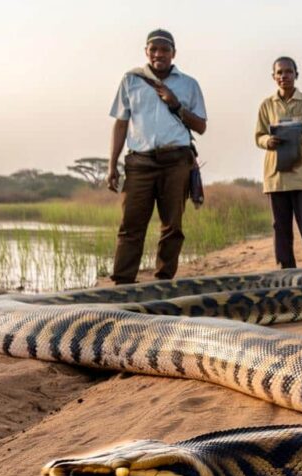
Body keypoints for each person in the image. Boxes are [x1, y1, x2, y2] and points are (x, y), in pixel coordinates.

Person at [106, 28, 207, 284]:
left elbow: (201, 126)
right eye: (154, 49)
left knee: (172, 226)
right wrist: (112, 165)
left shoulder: (189, 84)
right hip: (140, 162)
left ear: (174, 53)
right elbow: (121, 123)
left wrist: (175, 104)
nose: (158, 54)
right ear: (146, 52)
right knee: (131, 225)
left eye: (164, 49)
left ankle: (163, 281)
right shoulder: (131, 80)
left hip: (176, 161)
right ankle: (122, 283)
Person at [254, 56, 302, 269]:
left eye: (288, 72)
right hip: (275, 174)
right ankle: (286, 273)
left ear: (296, 74)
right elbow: (258, 136)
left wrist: (292, 135)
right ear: (273, 76)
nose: (284, 76)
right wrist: (269, 140)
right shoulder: (266, 105)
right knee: (281, 227)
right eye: (279, 72)